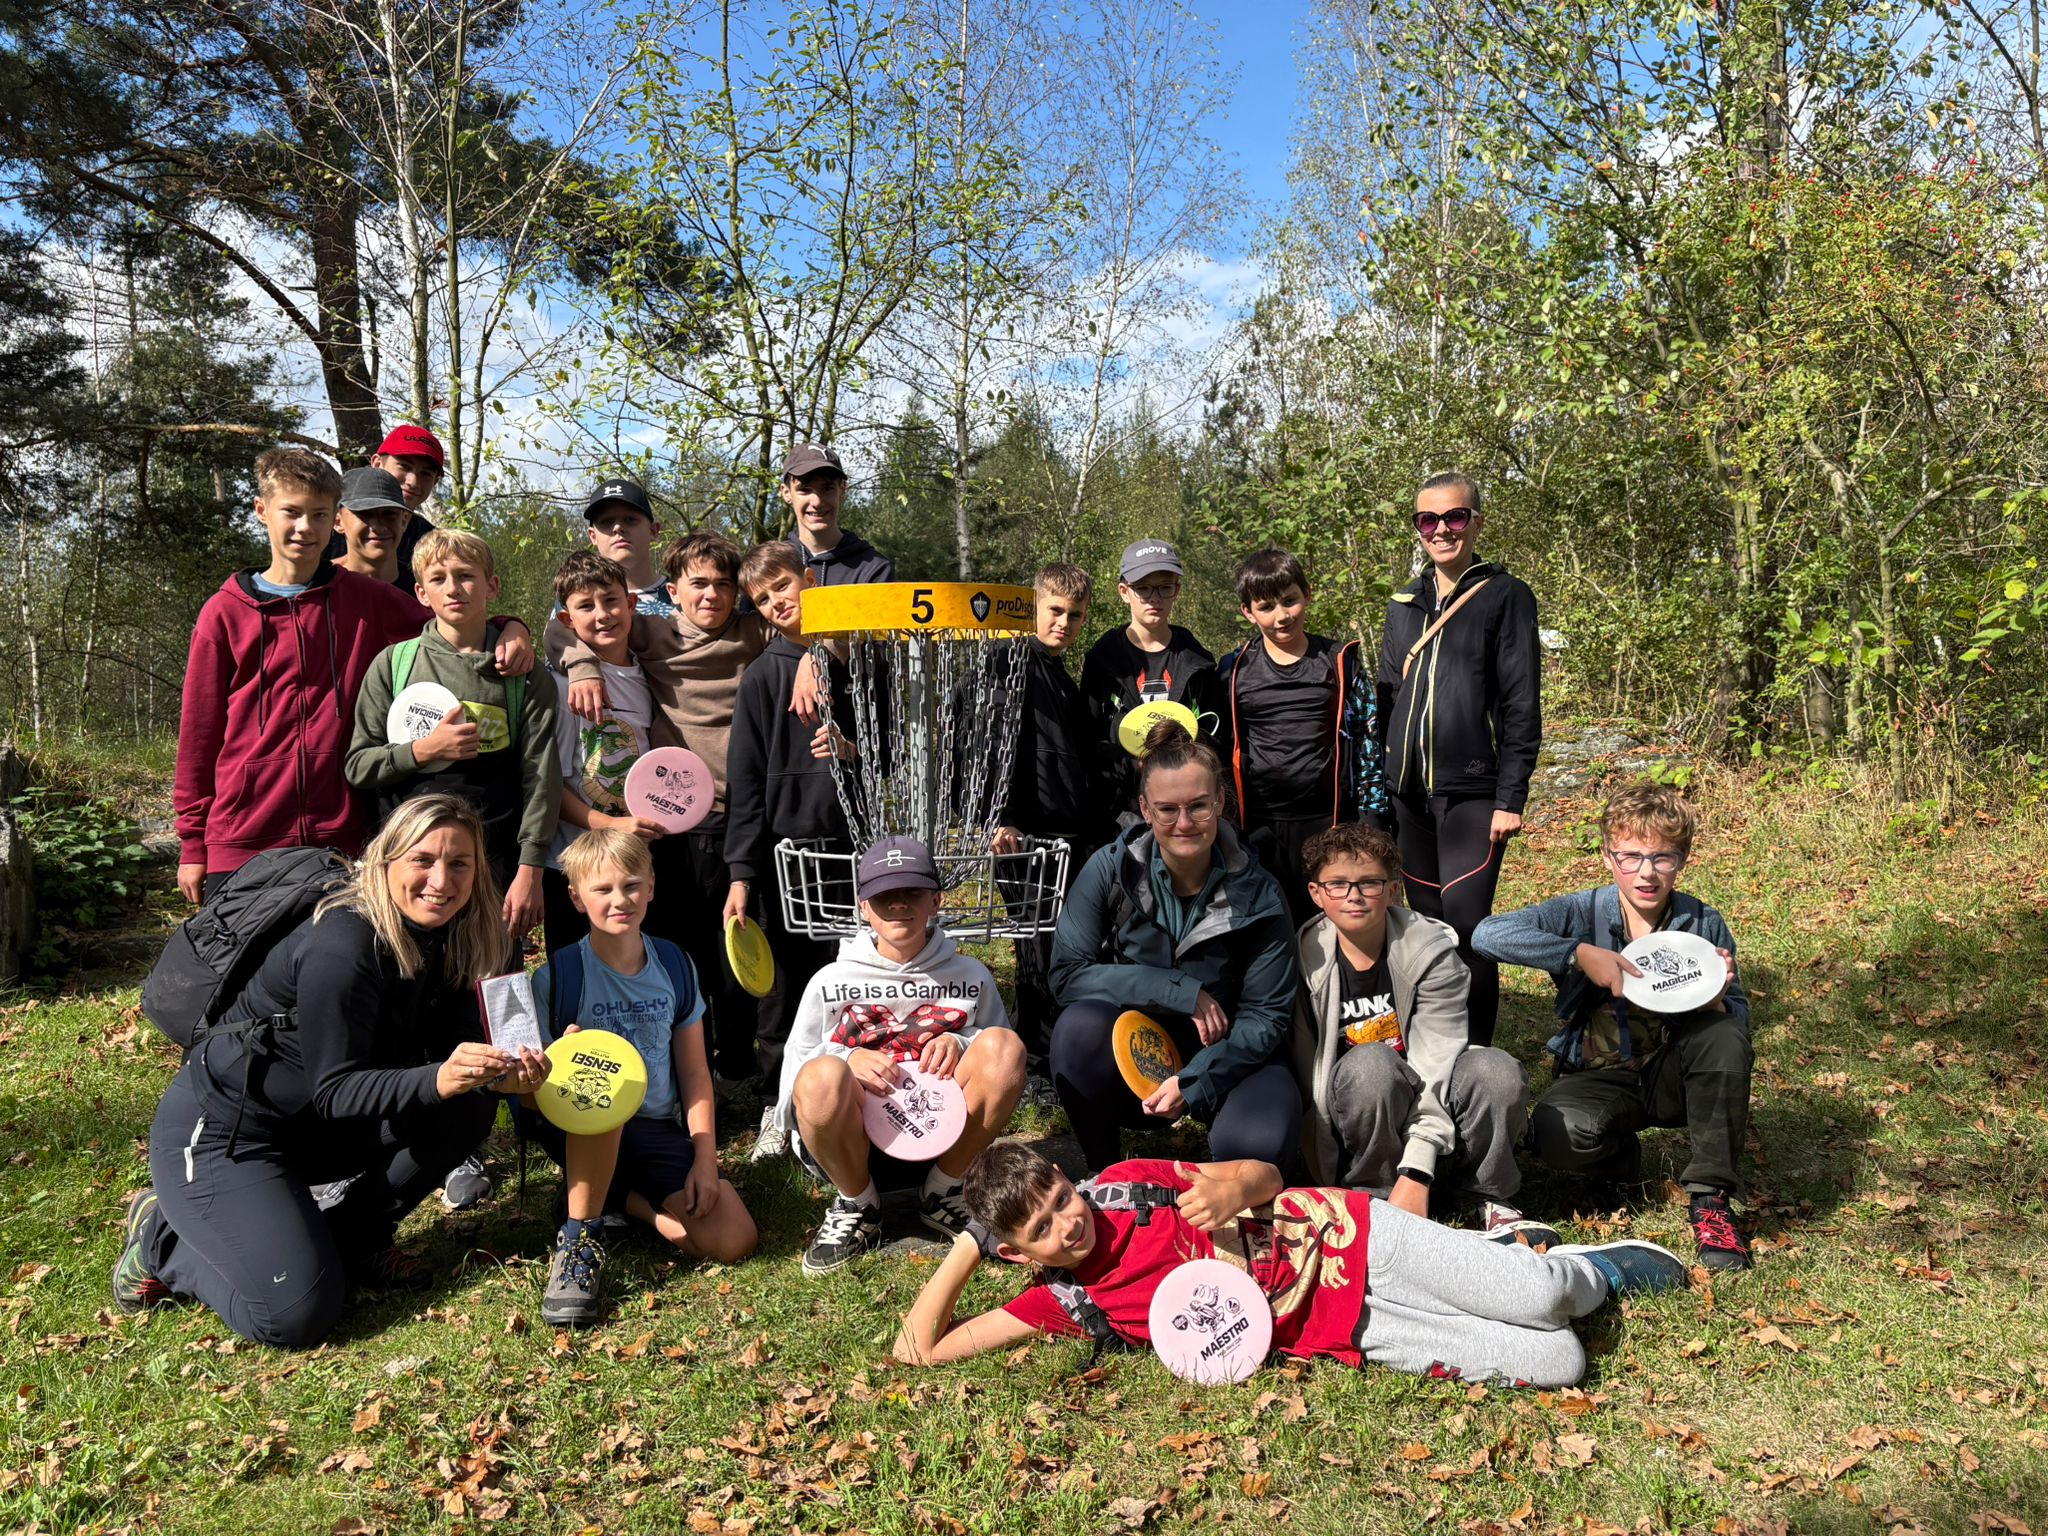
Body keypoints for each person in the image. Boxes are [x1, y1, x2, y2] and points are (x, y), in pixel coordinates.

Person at [112, 796, 552, 1347]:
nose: (441, 881)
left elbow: (459, 1050)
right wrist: (441, 1077)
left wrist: (505, 1075)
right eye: (423, 860)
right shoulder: (344, 940)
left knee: (468, 1106)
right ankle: (162, 1241)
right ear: (385, 861)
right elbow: (337, 1090)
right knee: (295, 1315)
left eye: (459, 863)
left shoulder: (473, 935)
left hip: (320, 1130)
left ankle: (356, 1238)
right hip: (231, 1135)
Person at [890, 1141, 1690, 1387]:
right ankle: (1509, 1269)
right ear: (1017, 1252)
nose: (1070, 1222)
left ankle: (1588, 1270)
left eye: (1063, 1197)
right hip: (1340, 1329)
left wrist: (1237, 1186)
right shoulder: (1063, 1301)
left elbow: (1265, 1176)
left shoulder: (1131, 1185)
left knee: (1544, 1296)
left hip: (1349, 1239)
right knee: (1560, 1362)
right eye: (1042, 1228)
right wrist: (967, 1244)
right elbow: (919, 1350)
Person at [173, 448, 533, 906]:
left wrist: (509, 626)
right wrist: (193, 842)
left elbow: (455, 620)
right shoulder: (224, 613)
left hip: (343, 835)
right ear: (262, 510)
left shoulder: (366, 599)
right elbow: (199, 734)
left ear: (334, 520)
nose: (305, 527)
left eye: (318, 515)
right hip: (243, 834)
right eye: (292, 512)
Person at [1473, 781, 1753, 1271]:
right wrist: (1577, 954)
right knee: (1556, 1135)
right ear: (1608, 856)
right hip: (1597, 1076)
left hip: (1674, 1074)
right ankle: (1619, 1160)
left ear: (1682, 860)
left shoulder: (1701, 923)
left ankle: (1711, 1199)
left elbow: (1742, 1015)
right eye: (1630, 856)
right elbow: (1487, 934)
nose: (1646, 872)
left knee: (1725, 1035)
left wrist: (1714, 1002)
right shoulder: (1583, 912)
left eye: (1662, 857)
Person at [553, 531, 802, 1084]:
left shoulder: (755, 630)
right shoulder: (652, 630)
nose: (711, 595)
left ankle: (742, 1066)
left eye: (723, 585)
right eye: (698, 584)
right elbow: (565, 625)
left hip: (743, 816)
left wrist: (809, 657)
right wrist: (581, 665)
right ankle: (689, 1066)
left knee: (742, 945)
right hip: (669, 824)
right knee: (682, 949)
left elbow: (812, 619)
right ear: (672, 592)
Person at [1046, 719, 1301, 1174]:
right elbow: (1067, 975)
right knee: (1077, 1031)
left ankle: (1227, 1188)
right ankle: (1105, 1175)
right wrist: (1176, 989)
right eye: (1167, 809)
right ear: (1145, 809)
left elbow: (1267, 1016)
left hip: (1230, 1049)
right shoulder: (1109, 869)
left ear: (1220, 803)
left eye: (1199, 806)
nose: (1184, 823)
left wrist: (1197, 1079)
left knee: (1260, 1141)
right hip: (1135, 1046)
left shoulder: (1261, 891)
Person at [524, 830, 758, 1326]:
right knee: (602, 1099)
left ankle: (620, 1199)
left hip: (654, 1128)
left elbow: (695, 1073)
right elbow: (531, 1095)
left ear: (651, 887)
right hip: (579, 1126)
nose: (620, 900)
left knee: (734, 1240)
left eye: (631, 885)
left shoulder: (674, 964)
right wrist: (561, 1063)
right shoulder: (557, 977)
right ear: (576, 898)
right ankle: (583, 1228)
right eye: (602, 889)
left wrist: (706, 1161)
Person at [778, 836, 1025, 1275]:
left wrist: (961, 1042)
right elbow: (798, 1070)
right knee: (821, 1076)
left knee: (1006, 1048)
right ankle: (859, 1204)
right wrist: (847, 1059)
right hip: (853, 1148)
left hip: (944, 1141)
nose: (898, 904)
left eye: (912, 891)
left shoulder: (971, 975)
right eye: (883, 895)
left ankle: (943, 1191)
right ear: (863, 907)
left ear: (936, 900)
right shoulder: (830, 980)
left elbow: (999, 1055)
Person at [1289, 822, 1530, 1231]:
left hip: (1429, 1095)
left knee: (1496, 1071)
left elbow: (1437, 1057)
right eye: (1338, 884)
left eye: (1369, 883)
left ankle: (1484, 1193)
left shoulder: (1431, 952)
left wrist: (1418, 1166)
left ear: (1392, 890)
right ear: (1316, 893)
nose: (1353, 895)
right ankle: (1374, 1195)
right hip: (1358, 1110)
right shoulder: (1303, 959)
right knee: (1372, 1065)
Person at [1375, 471, 1541, 1049]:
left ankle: (1474, 1060)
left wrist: (1510, 796)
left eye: (1455, 517)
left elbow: (1521, 703)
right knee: (1424, 930)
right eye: (1429, 520)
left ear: (1476, 522)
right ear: (1418, 529)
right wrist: (1380, 789)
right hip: (1408, 796)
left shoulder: (1505, 596)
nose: (1442, 529)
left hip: (1472, 792)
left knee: (1468, 928)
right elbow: (1387, 699)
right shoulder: (1403, 604)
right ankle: (1431, 1049)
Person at [346, 528, 560, 944]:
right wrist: (422, 751)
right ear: (421, 593)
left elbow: (541, 778)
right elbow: (358, 767)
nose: (453, 588)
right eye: (438, 578)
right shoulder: (394, 665)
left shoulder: (523, 676)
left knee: (493, 977)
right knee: (406, 974)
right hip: (408, 869)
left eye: (465, 576)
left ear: (492, 586)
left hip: (494, 870)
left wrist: (530, 869)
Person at [723, 540, 857, 1156]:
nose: (778, 602)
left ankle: (847, 1101)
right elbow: (746, 783)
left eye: (784, 586)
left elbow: (898, 756)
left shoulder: (862, 660)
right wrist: (741, 874)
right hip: (786, 860)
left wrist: (852, 752)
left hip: (855, 852)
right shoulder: (760, 677)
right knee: (784, 992)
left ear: (810, 580)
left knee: (849, 981)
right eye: (762, 598)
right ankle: (780, 1105)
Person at [1214, 548, 1389, 925]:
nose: (1281, 616)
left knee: (1332, 924)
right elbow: (1220, 750)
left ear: (1307, 595)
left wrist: (1372, 818)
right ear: (1248, 612)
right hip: (1259, 826)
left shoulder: (1340, 661)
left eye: (1290, 600)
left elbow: (1369, 739)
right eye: (1266, 607)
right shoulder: (1233, 670)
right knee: (1271, 925)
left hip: (1330, 821)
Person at [987, 563, 1105, 1082]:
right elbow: (986, 746)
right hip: (1023, 836)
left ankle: (1058, 1056)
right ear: (1032, 606)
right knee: (1035, 954)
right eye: (1055, 610)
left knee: (1063, 949)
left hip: (1065, 836)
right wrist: (1002, 817)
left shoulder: (1057, 673)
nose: (1064, 623)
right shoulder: (1008, 662)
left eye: (1075, 616)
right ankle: (1035, 1069)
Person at [541, 550, 659, 957]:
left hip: (634, 865)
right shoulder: (560, 687)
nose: (603, 614)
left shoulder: (651, 677)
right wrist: (610, 824)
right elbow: (548, 786)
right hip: (573, 866)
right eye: (586, 606)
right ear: (566, 620)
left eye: (611, 600)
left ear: (632, 603)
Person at [1079, 538, 1224, 826]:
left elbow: (1218, 737)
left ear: (1177, 590)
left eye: (1164, 587)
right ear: (1124, 592)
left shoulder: (1198, 662)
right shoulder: (1102, 660)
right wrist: (1132, 764)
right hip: (1119, 817)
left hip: (1185, 815)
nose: (1154, 598)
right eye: (1143, 588)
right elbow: (1086, 740)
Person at [322, 424, 445, 585]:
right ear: (377, 463)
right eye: (404, 466)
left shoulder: (434, 543)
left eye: (426, 474)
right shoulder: (323, 530)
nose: (413, 481)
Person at [778, 442, 894, 585]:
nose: (817, 502)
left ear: (842, 490)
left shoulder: (874, 569)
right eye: (805, 490)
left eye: (827, 489)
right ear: (786, 493)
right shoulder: (772, 565)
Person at [578, 476, 676, 617]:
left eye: (630, 519)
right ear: (593, 536)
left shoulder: (687, 595)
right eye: (606, 522)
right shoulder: (574, 603)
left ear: (653, 530)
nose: (617, 527)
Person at [333, 466, 414, 588]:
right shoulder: (316, 587)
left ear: (404, 521)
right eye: (365, 514)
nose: (379, 527)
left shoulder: (425, 589)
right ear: (337, 522)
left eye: (389, 514)